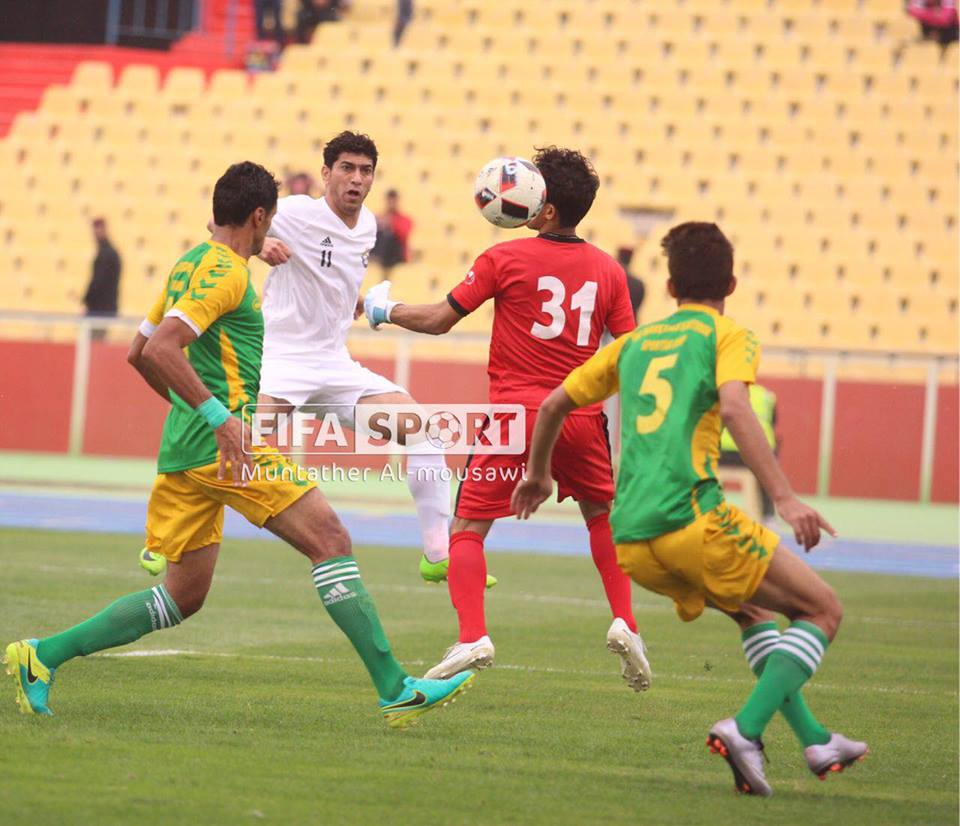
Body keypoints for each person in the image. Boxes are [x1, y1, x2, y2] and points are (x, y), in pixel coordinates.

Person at [4, 161, 475, 728]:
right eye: (270, 219)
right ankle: (395, 687)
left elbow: (139, 350)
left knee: (183, 597)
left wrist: (191, 414)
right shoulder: (227, 273)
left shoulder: (189, 263)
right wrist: (219, 419)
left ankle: (42, 655)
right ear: (259, 217)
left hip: (189, 450)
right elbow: (160, 351)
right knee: (330, 538)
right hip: (224, 448)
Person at [512, 222, 867, 796]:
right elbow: (734, 407)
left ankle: (816, 739)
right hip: (693, 520)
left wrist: (536, 474)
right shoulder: (727, 335)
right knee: (822, 610)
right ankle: (745, 730)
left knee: (753, 613)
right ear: (731, 281)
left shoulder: (632, 343)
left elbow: (554, 403)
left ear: (671, 285)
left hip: (631, 538)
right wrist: (784, 495)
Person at [364, 147, 652, 692]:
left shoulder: (505, 259)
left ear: (544, 207)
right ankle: (625, 621)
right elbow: (630, 357)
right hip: (582, 414)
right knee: (600, 516)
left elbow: (439, 320)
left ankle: (473, 633)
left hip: (516, 415)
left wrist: (385, 310)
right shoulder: (610, 272)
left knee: (468, 529)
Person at [255, 132, 487, 588]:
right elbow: (219, 224)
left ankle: (438, 553)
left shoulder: (367, 227)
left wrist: (354, 300)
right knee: (236, 450)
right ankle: (165, 537)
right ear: (326, 173)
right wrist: (259, 245)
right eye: (346, 168)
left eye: (365, 171)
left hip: (334, 365)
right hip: (281, 362)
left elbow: (330, 275)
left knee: (422, 430)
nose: (356, 179)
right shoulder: (297, 211)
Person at [719, 383, 778, 518]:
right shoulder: (767, 395)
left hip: (722, 453)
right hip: (754, 453)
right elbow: (773, 422)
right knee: (767, 475)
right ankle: (767, 515)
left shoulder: (723, 392)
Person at [83, 217, 121, 341]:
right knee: (96, 341)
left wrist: (87, 300)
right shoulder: (109, 252)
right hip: (103, 308)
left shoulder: (106, 254)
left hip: (99, 309)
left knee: (94, 343)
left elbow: (98, 282)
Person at [371, 189, 413, 280]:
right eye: (390, 200)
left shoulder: (403, 219)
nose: (391, 203)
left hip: (396, 255)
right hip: (382, 253)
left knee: (388, 236)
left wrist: (390, 224)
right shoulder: (380, 217)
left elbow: (404, 234)